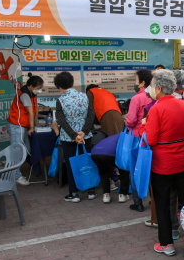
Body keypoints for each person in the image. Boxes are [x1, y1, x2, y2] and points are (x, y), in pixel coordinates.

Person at [142, 70, 184, 257]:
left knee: (163, 204)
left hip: (162, 165)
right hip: (182, 161)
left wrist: (143, 126)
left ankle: (166, 244)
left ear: (158, 88)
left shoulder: (155, 109)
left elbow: (151, 139)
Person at [54, 71, 95, 203]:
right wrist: (83, 132)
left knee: (72, 164)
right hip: (86, 136)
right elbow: (91, 116)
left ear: (59, 87)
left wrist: (74, 136)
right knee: (87, 162)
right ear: (72, 83)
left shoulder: (60, 100)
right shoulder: (84, 96)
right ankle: (91, 191)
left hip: (68, 138)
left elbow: (61, 121)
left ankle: (74, 193)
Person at [6, 75, 43, 185]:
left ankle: (14, 172)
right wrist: (32, 128)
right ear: (31, 86)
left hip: (23, 125)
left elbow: (35, 111)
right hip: (16, 125)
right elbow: (30, 112)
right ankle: (15, 176)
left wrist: (35, 124)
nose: (39, 89)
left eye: (41, 87)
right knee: (17, 152)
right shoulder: (25, 94)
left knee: (26, 150)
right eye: (38, 87)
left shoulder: (32, 94)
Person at [90, 133, 131, 204]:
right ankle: (123, 194)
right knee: (124, 170)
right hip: (109, 152)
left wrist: (115, 178)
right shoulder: (127, 136)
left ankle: (106, 196)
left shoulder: (112, 137)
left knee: (103, 173)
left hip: (94, 152)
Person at [126, 69, 153, 136]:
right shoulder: (154, 96)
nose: (135, 83)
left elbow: (131, 121)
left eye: (136, 81)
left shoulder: (136, 98)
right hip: (150, 133)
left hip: (137, 135)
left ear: (142, 83)